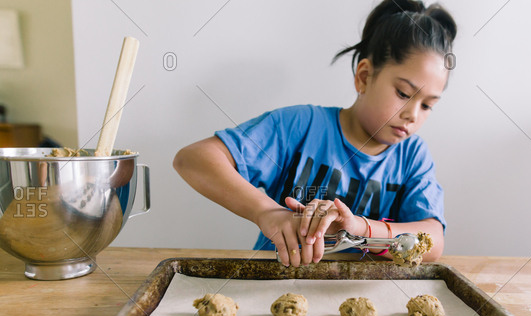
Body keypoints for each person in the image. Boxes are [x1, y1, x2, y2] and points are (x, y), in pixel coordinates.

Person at [174, 0, 456, 267]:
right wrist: (268, 213)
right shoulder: (300, 126)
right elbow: (193, 159)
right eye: (404, 94)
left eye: (428, 105)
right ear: (364, 77)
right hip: (274, 287)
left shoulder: (413, 156)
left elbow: (433, 240)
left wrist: (359, 228)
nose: (413, 115)